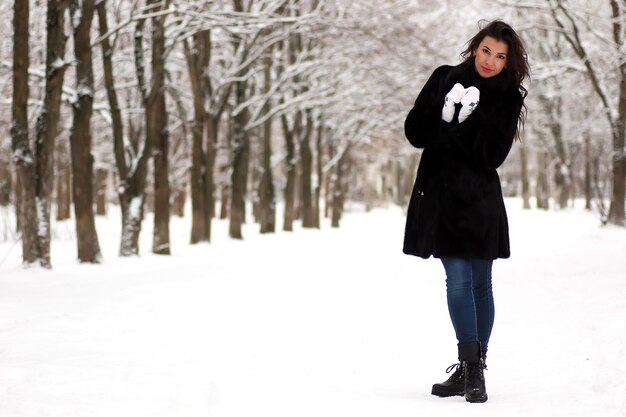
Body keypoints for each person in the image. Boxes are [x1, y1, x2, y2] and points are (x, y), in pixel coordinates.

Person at [402, 20, 530, 403]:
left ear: (509, 62)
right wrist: (444, 111)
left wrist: (465, 119)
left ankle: (472, 369)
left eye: (500, 56)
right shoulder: (444, 78)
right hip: (441, 198)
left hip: (478, 200)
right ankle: (470, 368)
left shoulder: (508, 97)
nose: (490, 61)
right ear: (476, 47)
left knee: (480, 284)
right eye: (487, 50)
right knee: (458, 280)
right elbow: (415, 133)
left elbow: (491, 155)